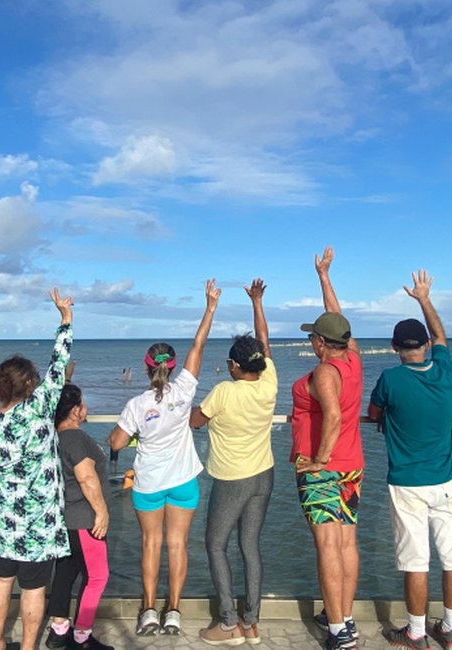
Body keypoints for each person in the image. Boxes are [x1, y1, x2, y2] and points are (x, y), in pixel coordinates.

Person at [108, 279, 220, 637]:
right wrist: (209, 308)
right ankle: (174, 611)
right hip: (184, 481)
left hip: (149, 484)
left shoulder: (137, 405)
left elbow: (115, 441)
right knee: (178, 546)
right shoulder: (185, 391)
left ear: (145, 367)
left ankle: (149, 611)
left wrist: (134, 433)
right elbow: (198, 346)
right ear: (171, 367)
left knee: (150, 545)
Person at [368, 270, 452, 650]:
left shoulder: (390, 379)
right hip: (446, 480)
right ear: (425, 345)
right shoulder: (444, 371)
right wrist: (424, 299)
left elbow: (374, 413)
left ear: (395, 347)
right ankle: (451, 629)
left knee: (416, 561)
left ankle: (414, 632)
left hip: (407, 482)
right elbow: (442, 337)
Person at [0, 288, 74, 650]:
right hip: (39, 520)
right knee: (34, 588)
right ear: (30, 384)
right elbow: (59, 363)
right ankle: (29, 647)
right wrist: (65, 319)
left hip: (2, 516)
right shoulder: (39, 409)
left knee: (1, 579)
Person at [190, 278, 277, 646]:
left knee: (215, 545)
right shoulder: (269, 381)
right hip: (264, 475)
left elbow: (196, 421)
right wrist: (258, 303)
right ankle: (252, 622)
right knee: (250, 547)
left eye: (230, 363)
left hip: (231, 480)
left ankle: (228, 624)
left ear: (236, 366)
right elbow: (265, 342)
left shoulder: (224, 392)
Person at [291, 247, 364, 650]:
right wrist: (324, 277)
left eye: (313, 336)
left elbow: (332, 417)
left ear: (320, 342)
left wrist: (318, 459)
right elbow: (340, 321)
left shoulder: (324, 370)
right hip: (352, 464)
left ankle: (337, 631)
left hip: (324, 469)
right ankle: (345, 616)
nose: (312, 341)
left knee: (327, 545)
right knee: (346, 543)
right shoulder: (352, 358)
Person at [45, 383, 114, 650]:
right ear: (75, 410)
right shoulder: (77, 438)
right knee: (97, 577)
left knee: (65, 573)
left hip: (63, 520)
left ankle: (58, 631)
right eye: (82, 404)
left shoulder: (54, 438)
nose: (86, 408)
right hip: (84, 519)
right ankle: (81, 637)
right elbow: (86, 477)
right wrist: (102, 512)